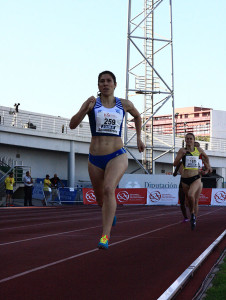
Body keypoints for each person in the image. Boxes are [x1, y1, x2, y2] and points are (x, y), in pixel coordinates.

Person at [69, 70, 145, 249]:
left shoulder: (124, 104)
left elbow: (138, 116)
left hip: (117, 154)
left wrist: (139, 138)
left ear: (115, 84)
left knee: (109, 188)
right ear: (98, 85)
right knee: (100, 200)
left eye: (108, 81)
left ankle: (105, 235)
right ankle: (110, 214)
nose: (105, 84)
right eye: (102, 81)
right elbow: (72, 125)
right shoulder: (92, 104)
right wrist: (83, 109)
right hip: (95, 158)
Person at [173, 133, 211, 230]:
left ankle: (194, 216)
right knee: (189, 202)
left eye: (191, 138)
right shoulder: (182, 150)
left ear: (194, 140)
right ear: (185, 140)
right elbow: (175, 163)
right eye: (187, 139)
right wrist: (181, 155)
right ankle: (192, 216)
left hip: (196, 178)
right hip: (185, 179)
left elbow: (206, 158)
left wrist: (208, 168)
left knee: (191, 196)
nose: (189, 140)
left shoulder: (198, 150)